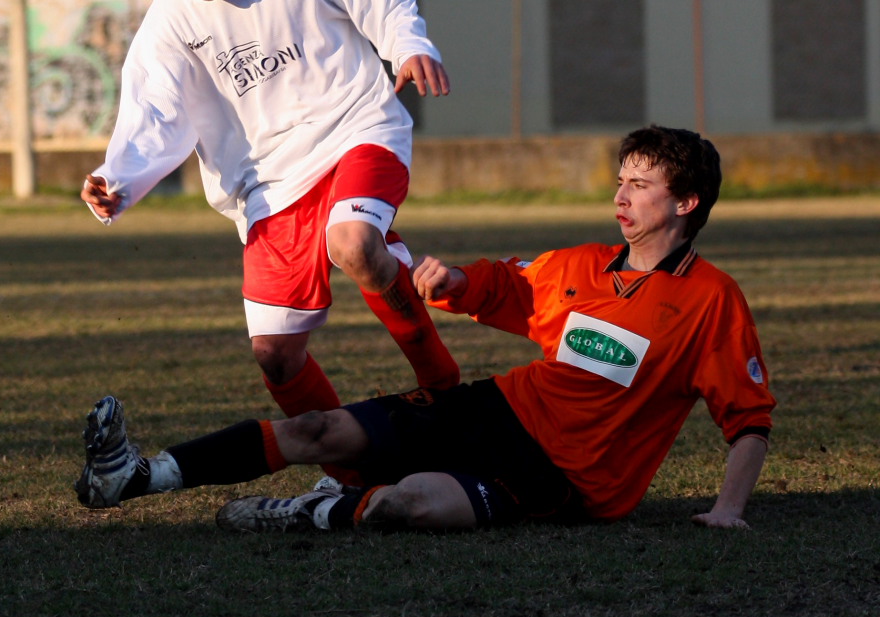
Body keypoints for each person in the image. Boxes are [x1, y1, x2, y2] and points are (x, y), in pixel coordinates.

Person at [75, 126, 776, 532]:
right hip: (496, 409)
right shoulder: (582, 265)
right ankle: (133, 477)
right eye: (620, 180)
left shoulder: (712, 301)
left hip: (565, 479)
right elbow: (504, 287)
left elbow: (748, 420)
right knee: (321, 431)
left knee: (405, 506)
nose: (621, 196)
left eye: (641, 186)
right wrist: (455, 283)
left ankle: (303, 513)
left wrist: (727, 510)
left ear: (685, 201)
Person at [80, 0, 460, 423]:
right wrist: (116, 180)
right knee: (275, 358)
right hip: (268, 181)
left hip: (356, 127)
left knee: (353, 244)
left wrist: (411, 47)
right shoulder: (169, 23)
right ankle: (352, 477)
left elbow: (384, 3)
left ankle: (444, 390)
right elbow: (154, 110)